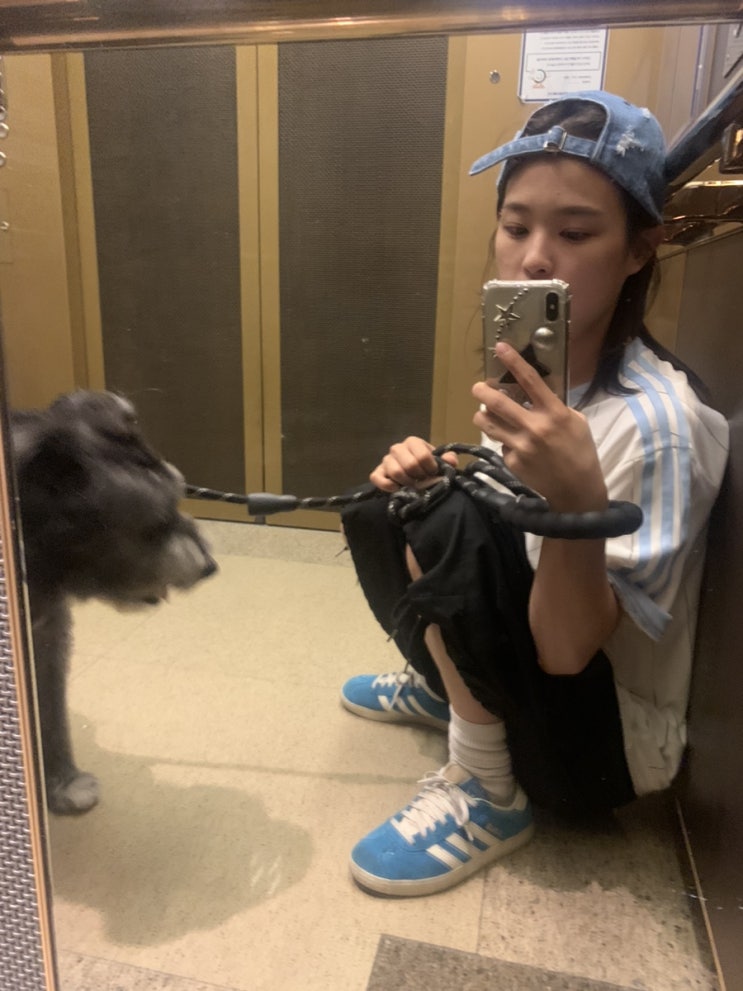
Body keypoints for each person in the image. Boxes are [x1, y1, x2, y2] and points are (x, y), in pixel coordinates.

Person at [338, 91, 730, 898]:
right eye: (515, 227)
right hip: (547, 677)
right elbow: (496, 530)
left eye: (575, 234)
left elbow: (565, 650)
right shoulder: (534, 380)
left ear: (639, 250)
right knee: (393, 501)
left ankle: (487, 786)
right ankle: (452, 683)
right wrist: (441, 478)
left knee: (443, 517)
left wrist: (577, 502)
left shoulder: (659, 428)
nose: (533, 259)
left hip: (601, 745)